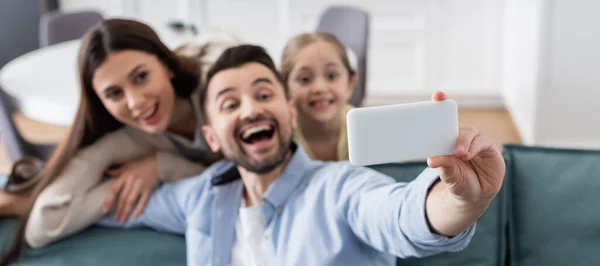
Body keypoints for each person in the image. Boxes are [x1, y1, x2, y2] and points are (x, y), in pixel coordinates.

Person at [83, 44, 502, 266]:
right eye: (230, 104)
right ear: (211, 137)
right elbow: (110, 204)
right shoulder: (199, 197)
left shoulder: (339, 187)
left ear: (290, 111)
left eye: (264, 94)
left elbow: (398, 214)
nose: (251, 109)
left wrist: (460, 199)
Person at [0, 18, 236, 262]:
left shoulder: (222, 94)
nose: (135, 102)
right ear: (101, 102)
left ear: (167, 65)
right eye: (114, 94)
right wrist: (146, 173)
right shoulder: (126, 138)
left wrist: (162, 166)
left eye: (141, 77)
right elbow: (44, 225)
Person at [280, 32, 355, 161]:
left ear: (350, 83)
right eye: (305, 79)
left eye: (332, 76)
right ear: (285, 88)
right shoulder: (281, 138)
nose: (319, 88)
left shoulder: (366, 130)